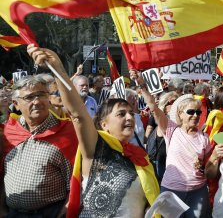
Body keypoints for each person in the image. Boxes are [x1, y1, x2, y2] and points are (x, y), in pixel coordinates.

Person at [27, 45, 159, 217]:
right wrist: (59, 68)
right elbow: (78, 115)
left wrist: (148, 208)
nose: (129, 117)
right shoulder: (95, 149)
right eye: (121, 114)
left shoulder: (141, 157)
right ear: (104, 124)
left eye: (130, 113)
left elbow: (144, 197)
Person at [135, 72, 212, 218]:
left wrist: (205, 164)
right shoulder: (171, 129)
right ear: (180, 114)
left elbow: (209, 167)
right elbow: (153, 106)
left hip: (198, 191)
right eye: (191, 112)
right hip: (172, 191)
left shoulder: (205, 137)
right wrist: (142, 85)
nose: (195, 115)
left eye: (198, 112)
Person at [1, 75, 78, 217]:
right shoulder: (8, 132)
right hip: (11, 214)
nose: (36, 101)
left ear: (48, 97)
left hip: (50, 213)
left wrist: (64, 212)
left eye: (41, 95)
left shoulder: (66, 132)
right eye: (29, 97)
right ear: (16, 104)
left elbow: (76, 180)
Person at [146, 91, 179, 182]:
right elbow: (154, 109)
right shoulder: (165, 123)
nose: (176, 105)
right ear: (164, 106)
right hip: (162, 166)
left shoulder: (178, 123)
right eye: (172, 102)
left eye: (178, 102)